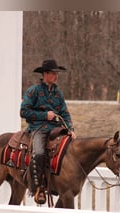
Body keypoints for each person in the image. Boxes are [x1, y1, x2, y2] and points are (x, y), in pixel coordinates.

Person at [20, 59, 76, 204]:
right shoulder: (33, 91)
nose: (56, 76)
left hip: (56, 128)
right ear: (44, 74)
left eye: (57, 73)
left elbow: (64, 113)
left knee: (69, 150)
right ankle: (38, 188)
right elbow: (24, 111)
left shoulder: (58, 93)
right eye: (53, 73)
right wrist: (45, 115)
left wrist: (70, 129)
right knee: (38, 153)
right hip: (38, 128)